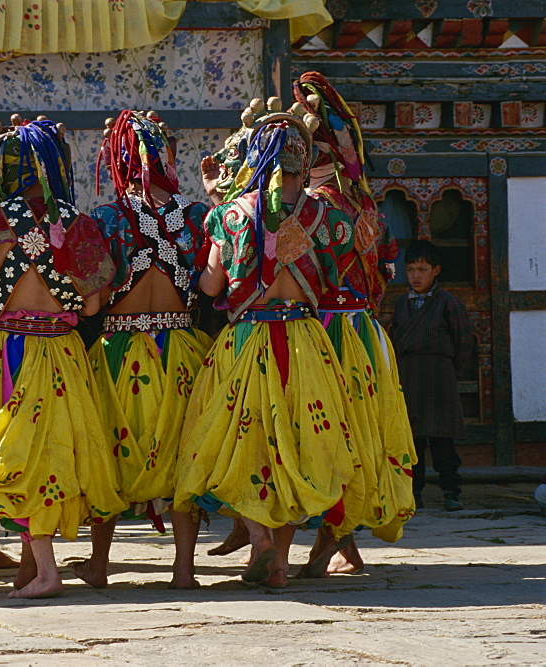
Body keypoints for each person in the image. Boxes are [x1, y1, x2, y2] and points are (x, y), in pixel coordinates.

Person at [0, 115, 126, 599]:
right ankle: (34, 567)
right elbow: (92, 305)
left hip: (7, 351)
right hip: (62, 355)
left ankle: (17, 570)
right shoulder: (77, 225)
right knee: (53, 455)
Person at [173, 104, 359, 589]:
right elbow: (337, 277)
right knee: (299, 443)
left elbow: (212, 287)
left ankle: (257, 539)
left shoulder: (232, 215)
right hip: (304, 342)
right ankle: (280, 556)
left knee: (239, 442)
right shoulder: (325, 213)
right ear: (302, 157)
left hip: (247, 339)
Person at [69, 110, 212, 590]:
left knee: (108, 452)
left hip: (119, 350)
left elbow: (95, 302)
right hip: (182, 347)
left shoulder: (106, 218)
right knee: (182, 452)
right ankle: (184, 569)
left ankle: (100, 564)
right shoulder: (197, 216)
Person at [292, 72, 418, 576]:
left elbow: (287, 270)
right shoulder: (369, 208)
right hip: (365, 332)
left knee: (326, 433)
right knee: (362, 430)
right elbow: (385, 275)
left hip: (322, 332)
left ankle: (328, 538)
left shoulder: (312, 211)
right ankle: (346, 543)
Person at [390, 239, 473, 512]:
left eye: (422, 269)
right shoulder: (401, 304)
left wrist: (450, 373)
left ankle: (451, 491)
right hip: (409, 375)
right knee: (412, 439)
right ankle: (415, 493)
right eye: (411, 269)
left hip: (439, 377)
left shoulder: (449, 304)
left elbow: (464, 344)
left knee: (442, 439)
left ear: (435, 271)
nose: (416, 275)